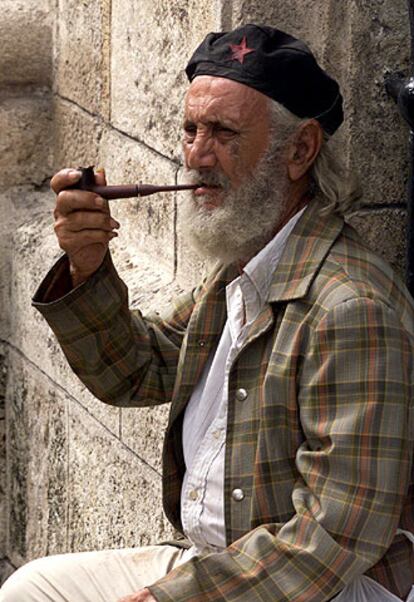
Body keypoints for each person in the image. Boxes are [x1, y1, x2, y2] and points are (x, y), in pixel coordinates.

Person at [1, 23, 414, 602]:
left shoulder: (351, 308)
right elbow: (137, 370)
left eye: (223, 133)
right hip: (223, 566)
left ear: (300, 150)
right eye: (191, 129)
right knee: (33, 589)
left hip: (327, 587)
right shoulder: (243, 268)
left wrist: (171, 598)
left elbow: (332, 538)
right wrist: (87, 266)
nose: (196, 154)